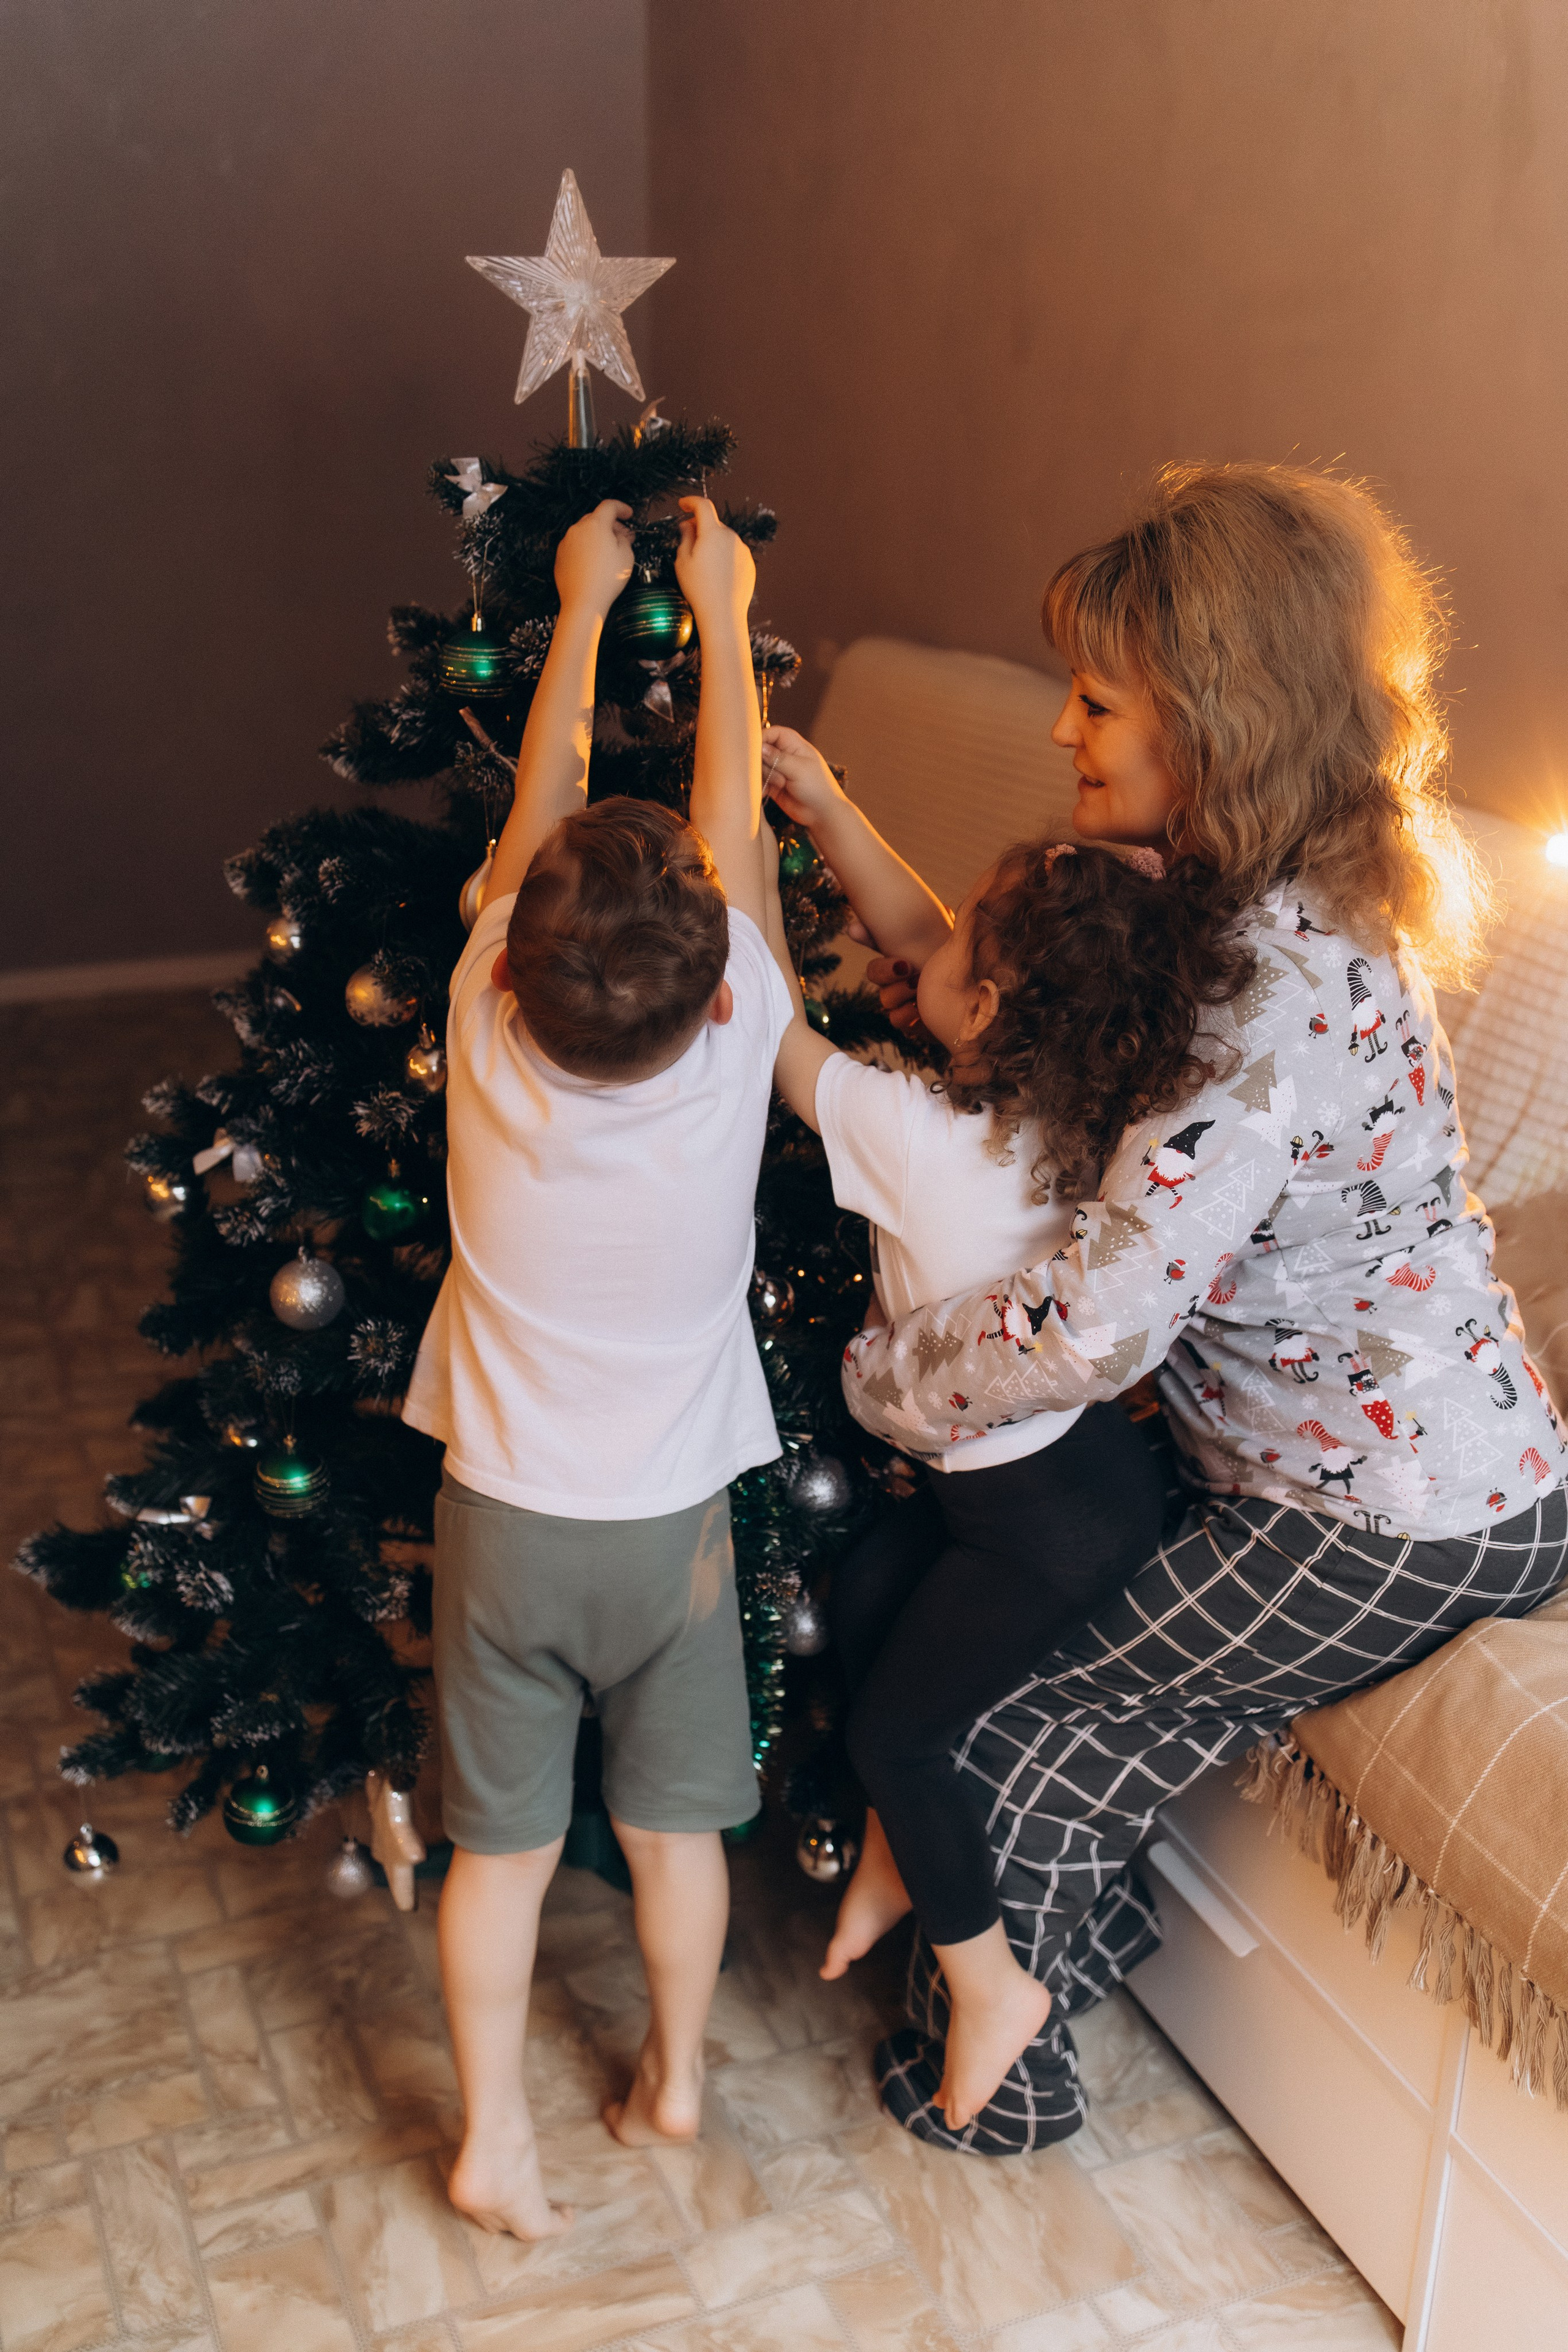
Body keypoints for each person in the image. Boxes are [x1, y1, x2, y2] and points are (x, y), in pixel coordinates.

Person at [808, 461, 1568, 2155]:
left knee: (1031, 1692)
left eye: (1097, 701)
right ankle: (1068, 1955)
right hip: (1467, 1474)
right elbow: (1016, 1014)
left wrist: (887, 1380)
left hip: (1389, 1523)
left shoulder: (1265, 993)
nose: (1066, 733)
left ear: (1213, 725)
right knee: (1004, 1606)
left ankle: (1007, 2090)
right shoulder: (1260, 909)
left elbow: (1096, 1325)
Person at [759, 734, 1256, 2132]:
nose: (920, 947)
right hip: (1071, 1481)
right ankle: (887, 1857)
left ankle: (994, 1990)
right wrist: (831, 804)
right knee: (864, 1584)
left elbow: (760, 1022)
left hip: (1043, 1526)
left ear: (978, 1004)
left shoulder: (910, 1131)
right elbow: (924, 941)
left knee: (900, 1737)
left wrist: (733, 825)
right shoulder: (1076, 1103)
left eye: (957, 945)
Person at [402, 496, 791, 2235]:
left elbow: (535, 813)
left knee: (495, 1852)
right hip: (672, 1541)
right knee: (671, 1834)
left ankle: (494, 2142)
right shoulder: (733, 1049)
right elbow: (735, 837)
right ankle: (679, 2082)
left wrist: (578, 610)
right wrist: (721, 615)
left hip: (502, 1524)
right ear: (717, 995)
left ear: (522, 969)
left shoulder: (489, 1017)